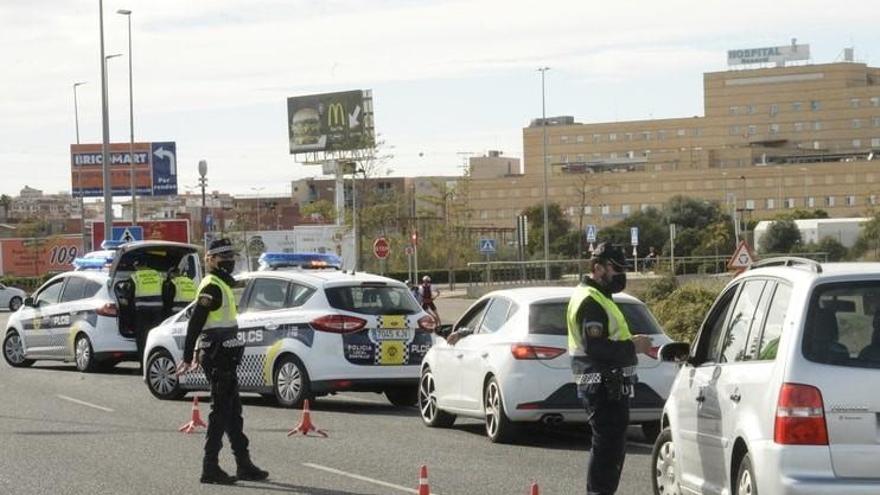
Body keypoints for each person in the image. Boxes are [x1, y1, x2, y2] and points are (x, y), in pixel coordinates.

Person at [175, 239, 268, 485]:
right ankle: (210, 467)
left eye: (231, 255)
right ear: (210, 259)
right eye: (223, 256)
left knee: (233, 411)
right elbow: (196, 322)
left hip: (225, 354)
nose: (229, 259)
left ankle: (243, 463)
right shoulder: (212, 286)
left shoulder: (223, 283)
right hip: (217, 355)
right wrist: (187, 355)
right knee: (220, 411)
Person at [566, 242, 653, 495]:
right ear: (597, 268)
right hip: (602, 385)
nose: (621, 275)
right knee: (607, 448)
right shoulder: (590, 301)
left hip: (610, 384)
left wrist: (630, 344)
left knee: (611, 448)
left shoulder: (601, 297)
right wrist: (632, 346)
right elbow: (596, 347)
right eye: (616, 269)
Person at [128, 258, 163, 365]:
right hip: (157, 311)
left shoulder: (135, 276)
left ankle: (143, 365)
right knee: (157, 337)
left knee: (142, 338)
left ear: (137, 266)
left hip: (142, 311)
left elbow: (129, 295)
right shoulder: (158, 275)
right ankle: (155, 362)